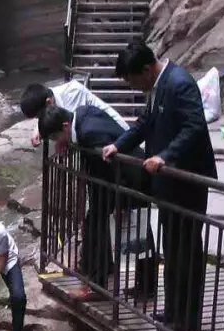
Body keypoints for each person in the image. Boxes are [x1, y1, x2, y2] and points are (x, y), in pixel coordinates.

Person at [102, 43, 217, 331]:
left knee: (186, 250)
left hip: (187, 182)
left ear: (146, 69)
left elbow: (194, 127)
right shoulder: (157, 85)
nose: (132, 85)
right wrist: (118, 144)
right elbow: (145, 123)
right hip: (168, 184)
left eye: (131, 80)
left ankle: (187, 318)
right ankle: (174, 310)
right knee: (172, 247)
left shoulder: (179, 83)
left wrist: (165, 156)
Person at [38, 103, 155, 296]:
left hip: (130, 180)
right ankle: (100, 277)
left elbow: (115, 168)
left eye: (54, 137)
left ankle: (112, 285)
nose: (55, 141)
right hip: (114, 182)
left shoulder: (90, 134)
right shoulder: (82, 115)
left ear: (65, 126)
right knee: (97, 222)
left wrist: (121, 203)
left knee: (135, 232)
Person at [21, 80, 129, 148]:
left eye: (38, 117)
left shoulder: (72, 93)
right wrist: (38, 130)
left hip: (118, 137)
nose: (39, 119)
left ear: (49, 102)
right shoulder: (50, 99)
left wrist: (62, 141)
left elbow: (73, 129)